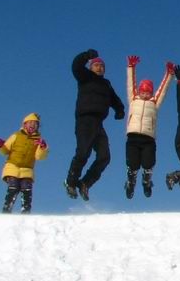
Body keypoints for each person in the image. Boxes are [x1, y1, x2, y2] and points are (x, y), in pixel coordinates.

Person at [65, 49, 125, 201]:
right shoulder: (85, 77)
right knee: (83, 153)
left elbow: (115, 99)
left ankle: (85, 183)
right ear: (91, 67)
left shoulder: (106, 84)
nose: (100, 68)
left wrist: (119, 110)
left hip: (98, 123)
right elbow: (76, 66)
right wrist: (86, 56)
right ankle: (70, 182)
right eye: (97, 65)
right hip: (85, 120)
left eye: (102, 66)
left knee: (105, 156)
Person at [124, 55, 174, 198]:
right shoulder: (133, 99)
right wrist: (131, 67)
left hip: (148, 139)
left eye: (148, 92)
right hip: (133, 137)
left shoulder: (154, 102)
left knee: (148, 163)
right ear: (139, 91)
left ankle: (146, 182)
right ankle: (130, 182)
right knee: (133, 164)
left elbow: (163, 89)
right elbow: (130, 84)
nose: (145, 94)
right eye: (143, 91)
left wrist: (169, 74)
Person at [0, 113, 48, 213]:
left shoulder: (38, 140)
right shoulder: (16, 136)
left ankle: (26, 210)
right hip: (12, 167)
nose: (33, 125)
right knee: (13, 187)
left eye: (35, 124)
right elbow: (6, 150)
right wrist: (1, 145)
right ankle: (7, 209)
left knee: (27, 189)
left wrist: (42, 148)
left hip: (27, 170)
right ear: (24, 124)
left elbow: (39, 157)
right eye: (30, 123)